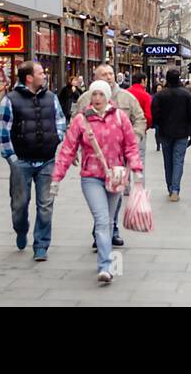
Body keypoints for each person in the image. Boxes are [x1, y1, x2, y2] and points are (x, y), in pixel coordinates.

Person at [51, 79, 142, 283]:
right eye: (94, 94)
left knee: (108, 221)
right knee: (101, 220)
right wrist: (56, 178)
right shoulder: (81, 120)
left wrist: (137, 170)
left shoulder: (119, 118)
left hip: (116, 176)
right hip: (91, 176)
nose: (97, 98)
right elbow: (67, 150)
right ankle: (105, 266)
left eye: (101, 94)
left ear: (108, 96)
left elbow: (130, 146)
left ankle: (106, 260)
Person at [0, 61, 66, 262]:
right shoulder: (10, 99)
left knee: (46, 205)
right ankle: (21, 229)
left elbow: (60, 121)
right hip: (22, 161)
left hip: (47, 161)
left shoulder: (51, 98)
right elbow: (3, 131)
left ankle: (41, 245)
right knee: (20, 204)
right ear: (29, 77)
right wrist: (11, 158)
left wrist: (56, 138)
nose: (44, 75)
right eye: (40, 73)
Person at [74, 64, 147, 248]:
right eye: (104, 74)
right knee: (98, 200)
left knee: (115, 193)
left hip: (118, 157)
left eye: (111, 73)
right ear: (95, 77)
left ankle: (111, 230)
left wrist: (135, 137)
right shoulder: (85, 100)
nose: (109, 77)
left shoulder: (126, 98)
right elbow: (74, 122)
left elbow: (140, 118)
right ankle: (101, 231)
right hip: (94, 159)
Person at [151, 67, 191, 201]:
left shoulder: (161, 95)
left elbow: (155, 113)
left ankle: (170, 186)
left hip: (165, 132)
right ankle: (175, 189)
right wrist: (190, 129)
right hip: (182, 132)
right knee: (178, 160)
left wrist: (160, 124)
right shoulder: (186, 94)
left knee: (168, 160)